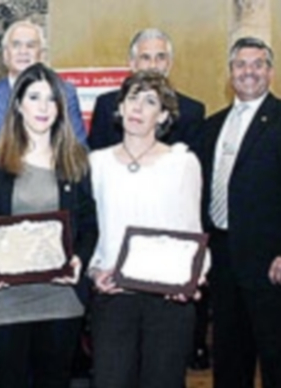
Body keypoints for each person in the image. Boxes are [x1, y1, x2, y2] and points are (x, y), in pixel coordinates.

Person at [86, 28, 210, 370]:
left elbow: (192, 227)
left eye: (150, 101)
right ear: (119, 107)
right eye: (132, 99)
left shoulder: (183, 162)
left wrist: (192, 277)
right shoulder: (96, 164)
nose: (138, 108)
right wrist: (95, 272)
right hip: (113, 294)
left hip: (168, 297)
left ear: (165, 116)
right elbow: (91, 231)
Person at [200, 37, 281, 388]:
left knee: (278, 359)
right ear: (230, 72)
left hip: (273, 265)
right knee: (229, 359)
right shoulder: (212, 125)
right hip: (222, 259)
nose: (248, 72)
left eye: (257, 64)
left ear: (270, 71)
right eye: (240, 64)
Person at [0, 63, 96, 388]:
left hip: (59, 297)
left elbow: (90, 222)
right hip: (4, 296)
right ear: (18, 104)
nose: (43, 107)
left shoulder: (76, 158)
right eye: (34, 97)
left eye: (52, 99)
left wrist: (79, 257)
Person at [0, 19, 87, 191]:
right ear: (5, 55)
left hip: (54, 195)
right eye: (16, 45)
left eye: (31, 46)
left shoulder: (65, 93)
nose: (23, 51)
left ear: (42, 55)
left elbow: (78, 150)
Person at [88, 28, 205, 153]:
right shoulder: (107, 106)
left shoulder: (191, 112)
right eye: (145, 58)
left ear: (169, 64)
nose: (153, 65)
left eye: (161, 57)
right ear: (133, 64)